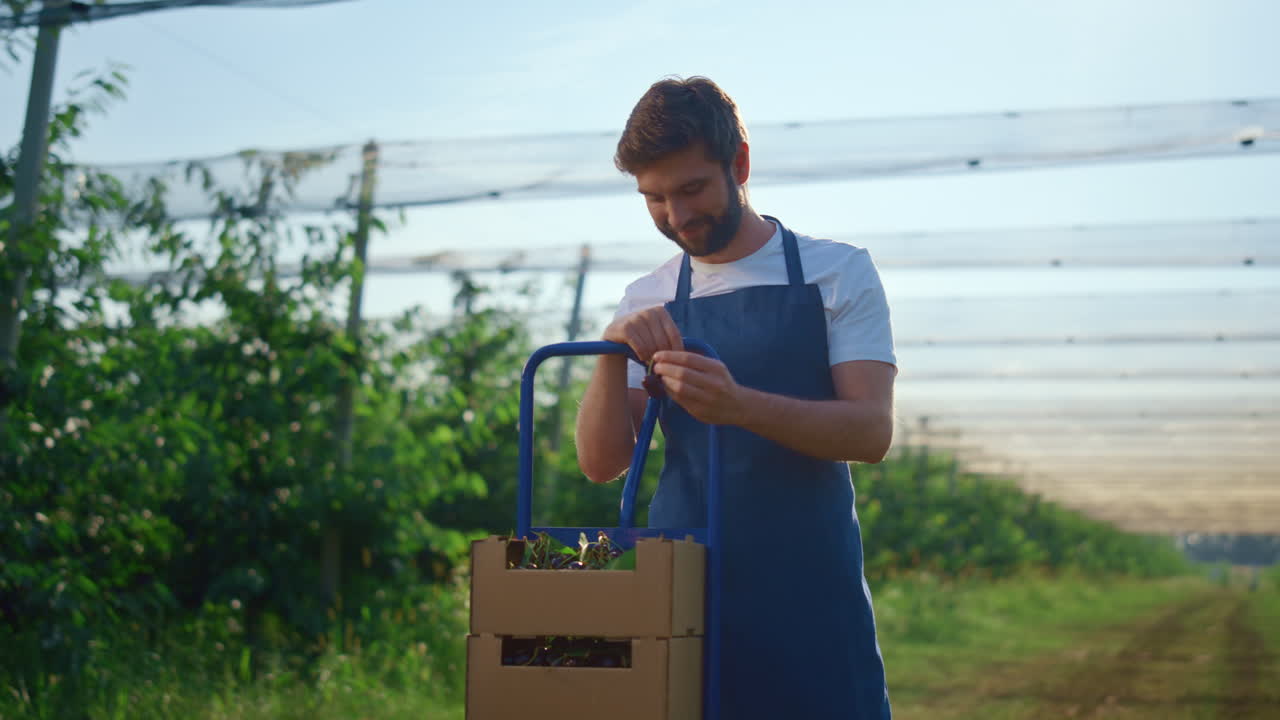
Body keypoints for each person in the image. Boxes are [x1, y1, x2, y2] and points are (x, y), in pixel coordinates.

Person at [575, 76, 897, 719]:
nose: (677, 215)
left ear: (740, 164)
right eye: (654, 198)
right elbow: (601, 461)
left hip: (809, 583)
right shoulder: (648, 296)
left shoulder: (838, 272)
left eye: (691, 189)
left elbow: (869, 432)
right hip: (680, 585)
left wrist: (738, 404)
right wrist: (611, 355)